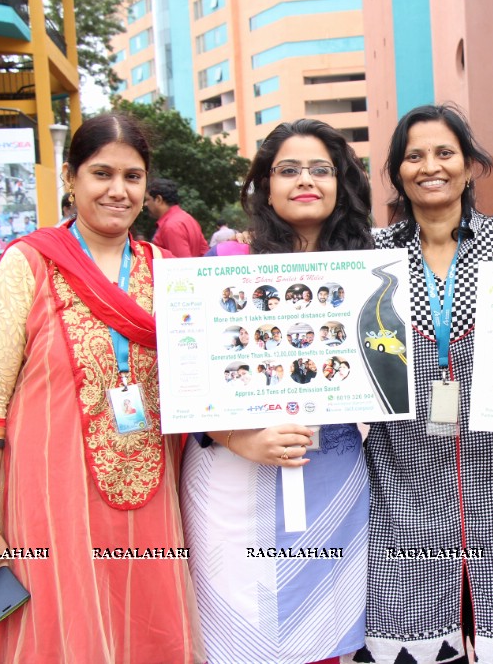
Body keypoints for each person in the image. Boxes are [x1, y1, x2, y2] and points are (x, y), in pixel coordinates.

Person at [0, 113, 203, 662]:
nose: (118, 190)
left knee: (144, 630)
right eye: (101, 174)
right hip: (48, 497)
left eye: (133, 177)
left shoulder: (167, 270)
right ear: (70, 177)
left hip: (149, 496)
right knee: (61, 633)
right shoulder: (28, 264)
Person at [180, 118, 374, 664]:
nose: (304, 180)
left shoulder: (369, 271)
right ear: (266, 184)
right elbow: (187, 377)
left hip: (330, 479)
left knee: (324, 639)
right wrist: (238, 438)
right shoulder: (225, 265)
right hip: (234, 480)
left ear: (341, 184)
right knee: (242, 640)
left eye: (320, 169)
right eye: (288, 170)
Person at [352, 104, 493, 664]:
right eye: (414, 156)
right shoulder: (369, 254)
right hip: (401, 467)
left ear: (469, 165)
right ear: (397, 170)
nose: (430, 166)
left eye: (444, 153)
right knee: (410, 633)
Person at [145, 178, 208, 257]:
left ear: (158, 199)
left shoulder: (171, 226)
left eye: (147, 199)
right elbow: (205, 253)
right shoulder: (188, 218)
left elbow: (180, 266)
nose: (145, 204)